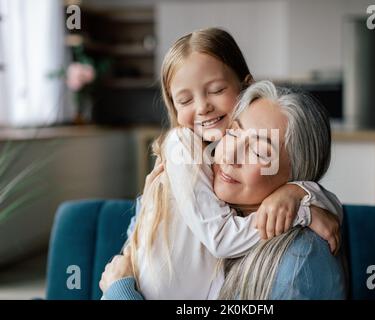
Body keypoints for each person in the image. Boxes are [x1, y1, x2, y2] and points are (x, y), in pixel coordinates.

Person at [99, 28, 343, 299]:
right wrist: (302, 208)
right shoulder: (182, 152)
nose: (202, 108)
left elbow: (332, 215)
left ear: (245, 88)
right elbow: (208, 241)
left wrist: (300, 194)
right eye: (185, 100)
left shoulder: (296, 261)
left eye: (216, 90)